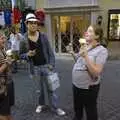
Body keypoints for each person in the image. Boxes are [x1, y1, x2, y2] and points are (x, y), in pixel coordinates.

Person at [20, 13, 66, 116]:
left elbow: (50, 52)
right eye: (31, 23)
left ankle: (55, 107)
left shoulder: (43, 36)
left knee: (52, 88)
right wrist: (27, 54)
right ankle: (41, 104)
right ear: (26, 24)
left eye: (35, 23)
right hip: (34, 68)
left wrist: (51, 65)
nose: (33, 25)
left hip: (46, 66)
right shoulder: (23, 39)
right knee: (39, 90)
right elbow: (20, 55)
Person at [70, 25, 108, 120]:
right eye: (87, 30)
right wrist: (72, 53)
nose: (86, 32)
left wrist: (86, 56)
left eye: (90, 31)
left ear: (97, 36)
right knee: (77, 109)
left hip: (89, 88)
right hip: (76, 85)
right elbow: (78, 61)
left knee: (90, 112)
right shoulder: (85, 46)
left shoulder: (102, 51)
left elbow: (96, 73)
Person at [0, 31, 13, 120]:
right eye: (2, 38)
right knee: (3, 113)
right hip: (1, 88)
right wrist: (7, 64)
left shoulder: (3, 50)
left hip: (7, 84)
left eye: (5, 38)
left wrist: (10, 61)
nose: (4, 40)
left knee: (7, 112)